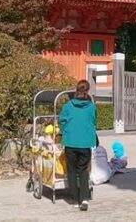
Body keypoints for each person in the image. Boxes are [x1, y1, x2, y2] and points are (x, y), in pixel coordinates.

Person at [58, 79, 97, 211]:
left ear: (76, 90)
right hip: (85, 143)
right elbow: (93, 121)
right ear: (87, 91)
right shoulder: (91, 106)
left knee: (72, 170)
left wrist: (65, 131)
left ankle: (74, 198)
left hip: (70, 141)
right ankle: (84, 199)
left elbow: (61, 120)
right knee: (84, 171)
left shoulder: (68, 105)